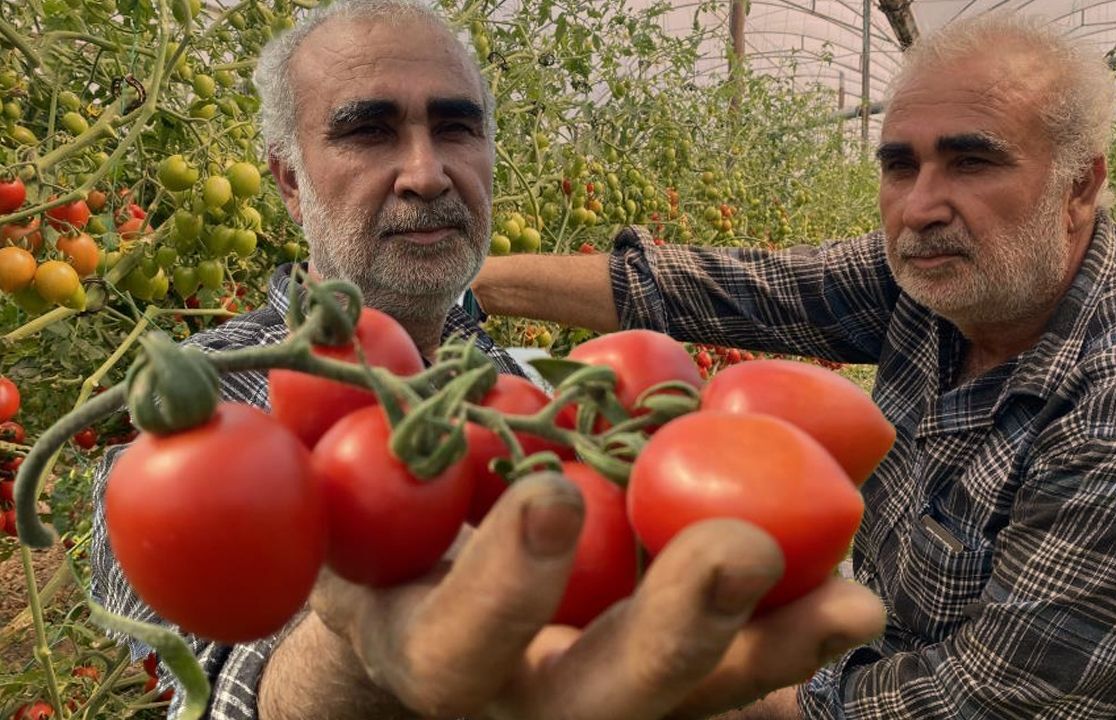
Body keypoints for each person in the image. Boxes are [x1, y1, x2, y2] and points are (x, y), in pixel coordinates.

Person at [88, 2, 888, 719]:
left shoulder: (533, 390)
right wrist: (350, 668)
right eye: (368, 131)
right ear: (291, 182)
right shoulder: (203, 407)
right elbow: (218, 677)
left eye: (457, 127)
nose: (428, 171)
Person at [472, 11, 1116, 719]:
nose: (922, 204)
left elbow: (972, 703)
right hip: (894, 652)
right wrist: (466, 285)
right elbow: (730, 290)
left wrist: (663, 683)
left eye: (973, 161)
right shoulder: (946, 281)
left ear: (1081, 184)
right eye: (901, 165)